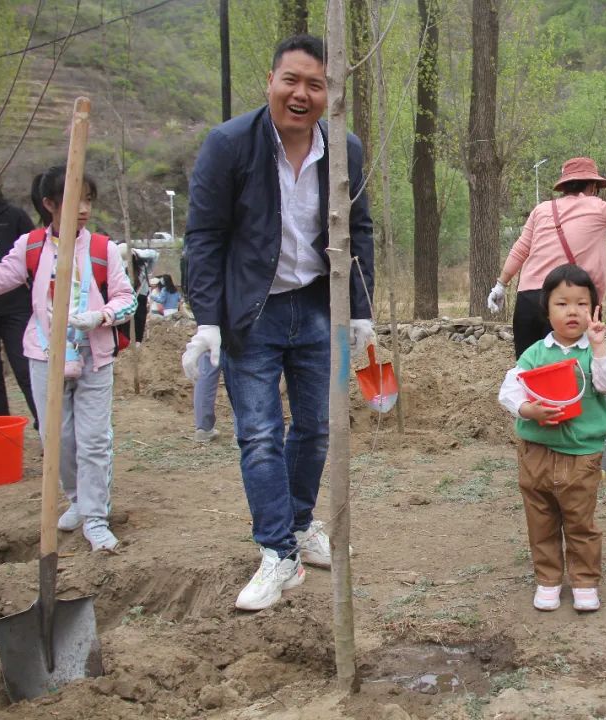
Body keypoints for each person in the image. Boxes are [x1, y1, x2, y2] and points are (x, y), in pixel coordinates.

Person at [181, 33, 375, 612]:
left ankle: (298, 524)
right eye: (291, 80)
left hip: (317, 306)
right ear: (270, 82)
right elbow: (204, 237)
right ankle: (276, 552)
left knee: (316, 427)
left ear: (329, 93)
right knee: (261, 434)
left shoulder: (344, 149)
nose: (301, 94)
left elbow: (358, 229)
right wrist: (208, 320)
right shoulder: (230, 146)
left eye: (316, 84)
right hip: (252, 312)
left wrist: (360, 309)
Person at [0, 166, 136, 551]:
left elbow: (127, 299)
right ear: (49, 204)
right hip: (45, 356)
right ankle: (77, 499)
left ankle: (96, 517)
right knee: (57, 437)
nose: (83, 209)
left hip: (94, 356)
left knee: (94, 439)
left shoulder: (102, 249)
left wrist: (101, 316)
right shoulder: (31, 247)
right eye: (73, 200)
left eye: (87, 200)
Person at [498, 263, 606, 612]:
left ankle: (584, 582)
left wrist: (599, 347)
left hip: (582, 455)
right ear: (546, 309)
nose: (572, 311)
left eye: (582, 303)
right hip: (537, 452)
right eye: (562, 303)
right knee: (540, 519)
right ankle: (548, 580)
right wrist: (529, 410)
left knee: (580, 521)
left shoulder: (593, 352)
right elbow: (509, 389)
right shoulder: (535, 353)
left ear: (594, 309)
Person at [488, 157, 606, 358]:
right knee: (571, 368)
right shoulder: (598, 207)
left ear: (564, 186)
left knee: (528, 365)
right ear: (592, 186)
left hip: (528, 300)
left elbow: (520, 249)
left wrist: (501, 284)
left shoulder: (541, 210)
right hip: (569, 300)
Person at [0, 158, 38, 426]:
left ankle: (47, 428)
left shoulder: (15, 216)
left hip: (16, 306)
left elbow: (35, 257)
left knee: (26, 369)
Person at [118, 243, 158, 342]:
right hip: (129, 298)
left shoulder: (142, 267)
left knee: (136, 323)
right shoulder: (122, 268)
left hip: (137, 298)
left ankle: (134, 342)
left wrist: (136, 252)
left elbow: (154, 254)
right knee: (130, 324)